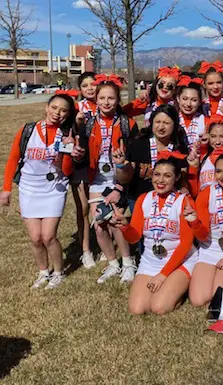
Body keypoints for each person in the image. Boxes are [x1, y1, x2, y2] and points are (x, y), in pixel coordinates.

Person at [1, 93, 82, 289]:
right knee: (35, 238)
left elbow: (67, 171)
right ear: (47, 108)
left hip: (54, 188)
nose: (57, 113)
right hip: (29, 188)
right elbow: (13, 159)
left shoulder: (66, 135)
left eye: (63, 110)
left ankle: (58, 272)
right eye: (54, 108)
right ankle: (43, 272)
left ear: (68, 114)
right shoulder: (28, 130)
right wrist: (6, 189)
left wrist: (66, 157)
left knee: (48, 236)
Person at [111, 156, 197, 315]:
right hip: (151, 260)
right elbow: (134, 237)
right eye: (157, 175)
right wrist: (125, 227)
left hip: (180, 260)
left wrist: (163, 275)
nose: (161, 180)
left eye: (167, 176)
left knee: (158, 307)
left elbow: (186, 243)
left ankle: (180, 290)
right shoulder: (144, 199)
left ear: (176, 177)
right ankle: (169, 288)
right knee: (137, 310)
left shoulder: (184, 201)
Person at [84, 75, 138, 284]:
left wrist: (118, 186)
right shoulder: (88, 124)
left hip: (120, 177)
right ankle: (113, 263)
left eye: (111, 98)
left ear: (118, 100)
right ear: (96, 99)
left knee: (116, 220)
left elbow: (132, 159)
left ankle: (128, 262)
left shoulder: (127, 124)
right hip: (97, 180)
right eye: (102, 98)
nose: (106, 102)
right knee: (99, 224)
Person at [186, 144, 223, 320]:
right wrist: (194, 222)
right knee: (198, 299)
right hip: (209, 249)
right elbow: (203, 235)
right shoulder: (207, 193)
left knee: (219, 297)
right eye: (219, 171)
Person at [116, 104, 190, 208]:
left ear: (175, 125)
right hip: (139, 199)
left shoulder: (179, 148)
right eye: (157, 122)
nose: (161, 127)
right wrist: (121, 166)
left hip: (169, 202)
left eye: (166, 123)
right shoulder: (138, 144)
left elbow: (183, 178)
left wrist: (184, 189)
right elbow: (125, 179)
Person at [73, 71, 97, 268]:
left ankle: (104, 244)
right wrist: (78, 123)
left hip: (101, 161)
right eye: (85, 85)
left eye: (93, 84)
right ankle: (86, 250)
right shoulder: (76, 108)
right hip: (80, 162)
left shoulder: (107, 103)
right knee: (83, 208)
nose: (90, 88)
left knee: (99, 204)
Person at [175, 74, 206, 152]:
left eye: (194, 100)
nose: (188, 104)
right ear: (178, 98)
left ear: (199, 102)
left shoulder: (204, 120)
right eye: (185, 99)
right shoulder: (172, 119)